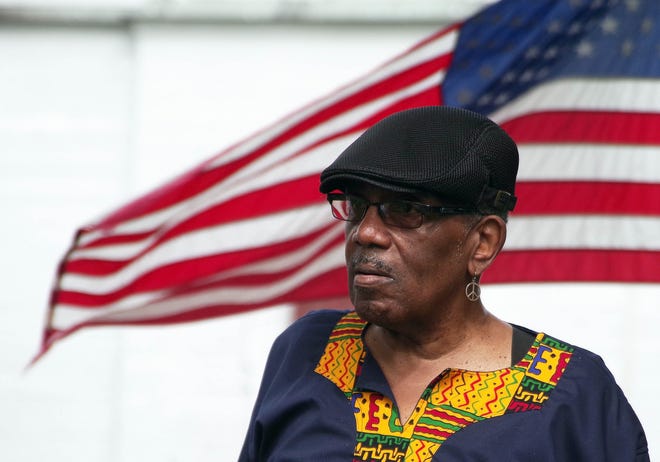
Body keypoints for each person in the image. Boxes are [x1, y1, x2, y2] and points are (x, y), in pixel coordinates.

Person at [238, 106, 649, 461]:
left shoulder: (574, 393)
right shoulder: (307, 350)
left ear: (482, 243)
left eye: (405, 210)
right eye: (358, 206)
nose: (365, 233)